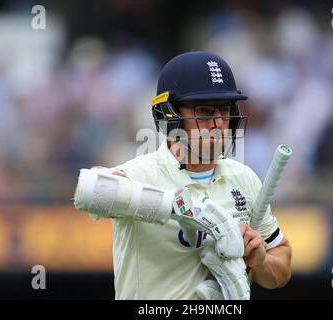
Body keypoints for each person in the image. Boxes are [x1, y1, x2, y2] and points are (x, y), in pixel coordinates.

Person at [76, 51, 292, 299]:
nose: (218, 123)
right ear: (169, 116)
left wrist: (261, 261)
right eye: (204, 111)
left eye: (224, 110)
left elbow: (281, 262)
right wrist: (186, 211)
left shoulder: (243, 178)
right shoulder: (142, 174)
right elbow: (89, 191)